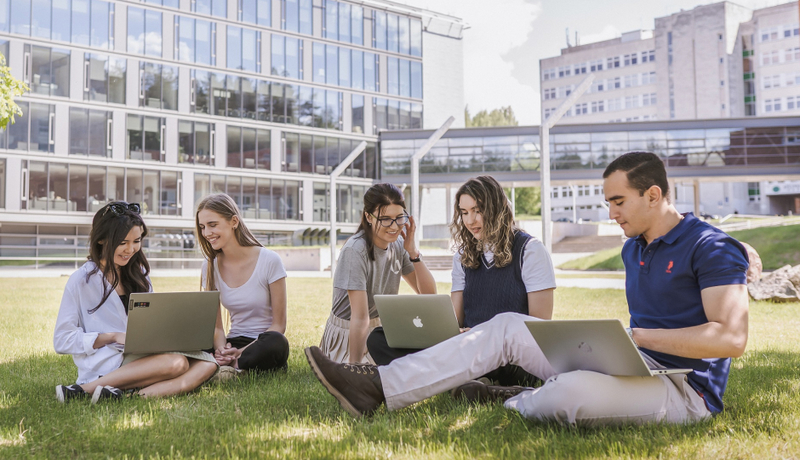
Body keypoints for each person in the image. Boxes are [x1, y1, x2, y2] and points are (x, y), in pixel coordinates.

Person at [303, 151, 750, 425]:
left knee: (568, 396)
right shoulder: (635, 247)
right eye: (608, 202)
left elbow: (730, 339)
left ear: (653, 195)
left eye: (618, 201)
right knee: (506, 325)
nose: (611, 212)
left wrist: (638, 339)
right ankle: (377, 387)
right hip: (632, 362)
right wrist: (623, 347)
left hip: (685, 390)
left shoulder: (713, 248)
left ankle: (514, 398)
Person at [366, 175, 555, 388]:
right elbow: (455, 321)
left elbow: (539, 330)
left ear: (497, 209)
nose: (470, 220)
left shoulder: (530, 251)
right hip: (467, 349)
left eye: (477, 210)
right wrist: (454, 332)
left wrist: (481, 337)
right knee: (380, 339)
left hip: (511, 359)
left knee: (472, 357)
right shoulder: (463, 255)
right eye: (464, 213)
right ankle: (469, 383)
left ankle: (453, 381)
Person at [54, 201, 218, 403]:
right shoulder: (81, 280)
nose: (130, 249)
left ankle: (123, 396)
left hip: (142, 354)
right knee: (177, 364)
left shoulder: (138, 273)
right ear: (101, 240)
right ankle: (83, 390)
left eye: (136, 241)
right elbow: (62, 340)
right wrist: (112, 336)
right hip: (108, 361)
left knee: (208, 363)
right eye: (122, 243)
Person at [320, 183, 437, 364]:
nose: (394, 226)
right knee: (395, 370)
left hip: (382, 331)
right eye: (385, 219)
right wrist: (355, 368)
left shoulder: (398, 245)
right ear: (368, 217)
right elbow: (359, 318)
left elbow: (429, 297)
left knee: (429, 354)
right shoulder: (355, 250)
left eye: (399, 218)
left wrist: (413, 252)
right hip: (350, 335)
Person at [196, 193, 290, 374]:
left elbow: (279, 325)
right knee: (191, 337)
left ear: (234, 222)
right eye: (202, 227)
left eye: (212, 225)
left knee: (276, 342)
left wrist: (238, 353)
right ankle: (232, 367)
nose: (207, 233)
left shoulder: (270, 260)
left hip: (261, 343)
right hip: (232, 342)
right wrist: (222, 350)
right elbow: (216, 327)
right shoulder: (209, 266)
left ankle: (225, 367)